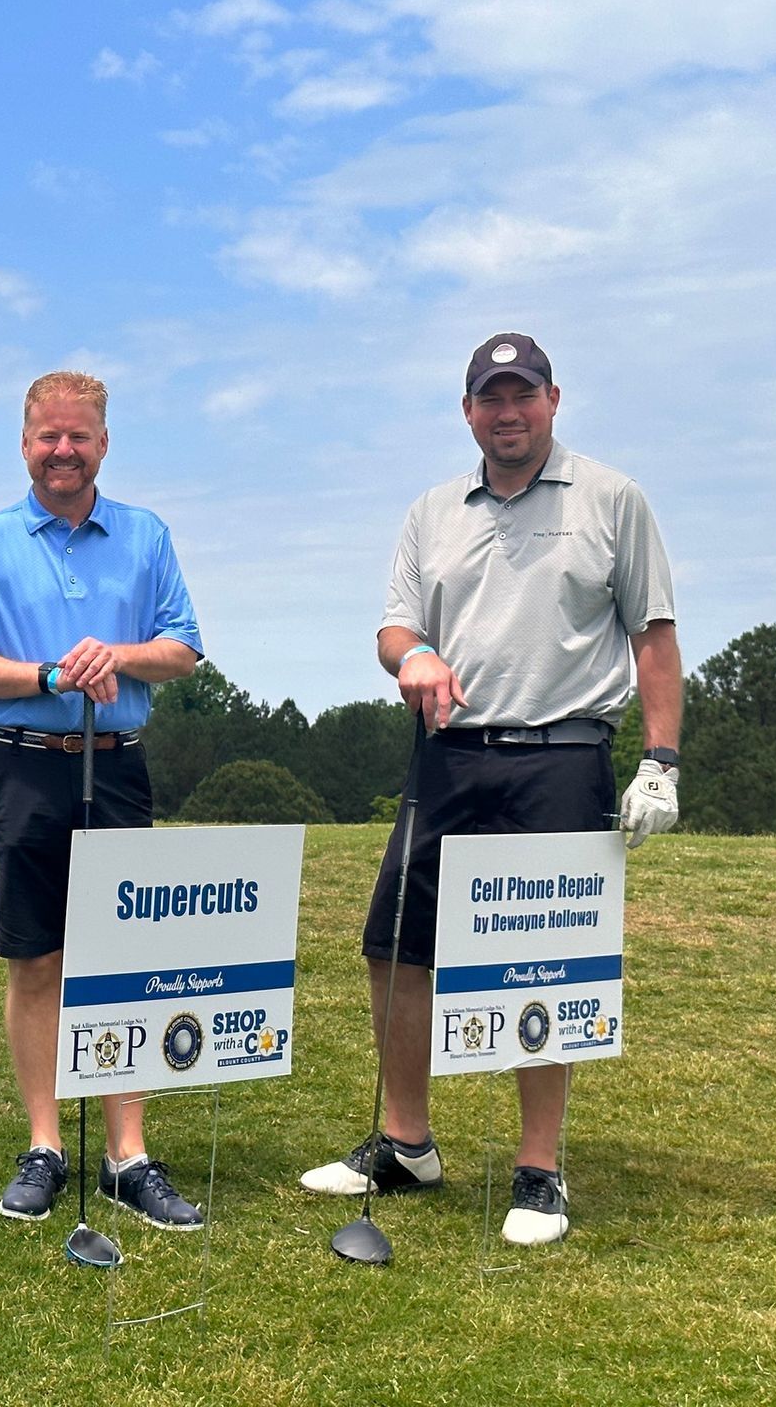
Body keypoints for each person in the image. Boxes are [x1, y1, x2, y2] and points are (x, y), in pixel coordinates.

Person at [300, 332, 681, 1245]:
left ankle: (539, 1169)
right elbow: (395, 630)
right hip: (448, 756)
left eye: (524, 395)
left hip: (561, 755)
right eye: (489, 398)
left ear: (554, 400)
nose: (507, 412)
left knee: (542, 961)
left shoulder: (612, 499)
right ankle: (406, 1141)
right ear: (468, 410)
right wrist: (418, 653)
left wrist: (660, 762)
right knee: (393, 947)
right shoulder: (433, 510)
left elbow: (654, 639)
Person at [0, 369, 207, 1230]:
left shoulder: (147, 534)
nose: (63, 450)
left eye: (78, 436)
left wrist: (115, 658)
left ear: (103, 444)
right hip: (20, 766)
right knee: (36, 958)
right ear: (25, 444)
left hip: (117, 762)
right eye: (48, 436)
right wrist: (50, 674)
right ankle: (47, 1144)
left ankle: (128, 1153)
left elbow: (184, 649)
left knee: (119, 961)